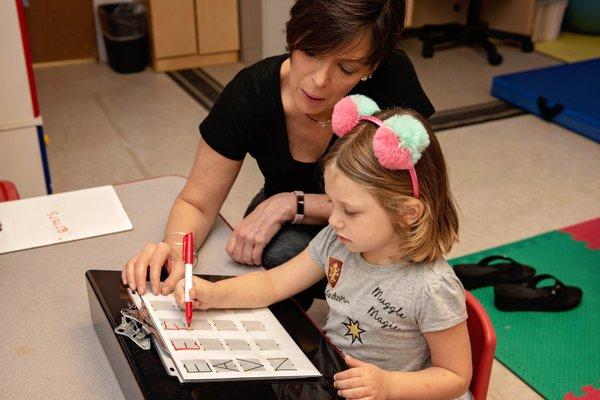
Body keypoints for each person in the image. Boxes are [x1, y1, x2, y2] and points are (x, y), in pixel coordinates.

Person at [122, 0, 435, 310]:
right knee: (264, 256)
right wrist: (176, 249)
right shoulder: (251, 93)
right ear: (293, 37)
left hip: (372, 220)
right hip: (288, 211)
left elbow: (414, 199)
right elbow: (198, 202)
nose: (319, 80)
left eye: (346, 68)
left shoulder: (393, 80)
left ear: (372, 66)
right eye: (311, 52)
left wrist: (293, 203)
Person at [174, 95, 472, 400]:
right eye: (332, 203)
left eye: (350, 211)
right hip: (333, 379)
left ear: (408, 213)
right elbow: (274, 283)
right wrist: (212, 294)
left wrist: (388, 386)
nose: (333, 219)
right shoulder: (338, 240)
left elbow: (455, 376)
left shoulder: (432, 288)